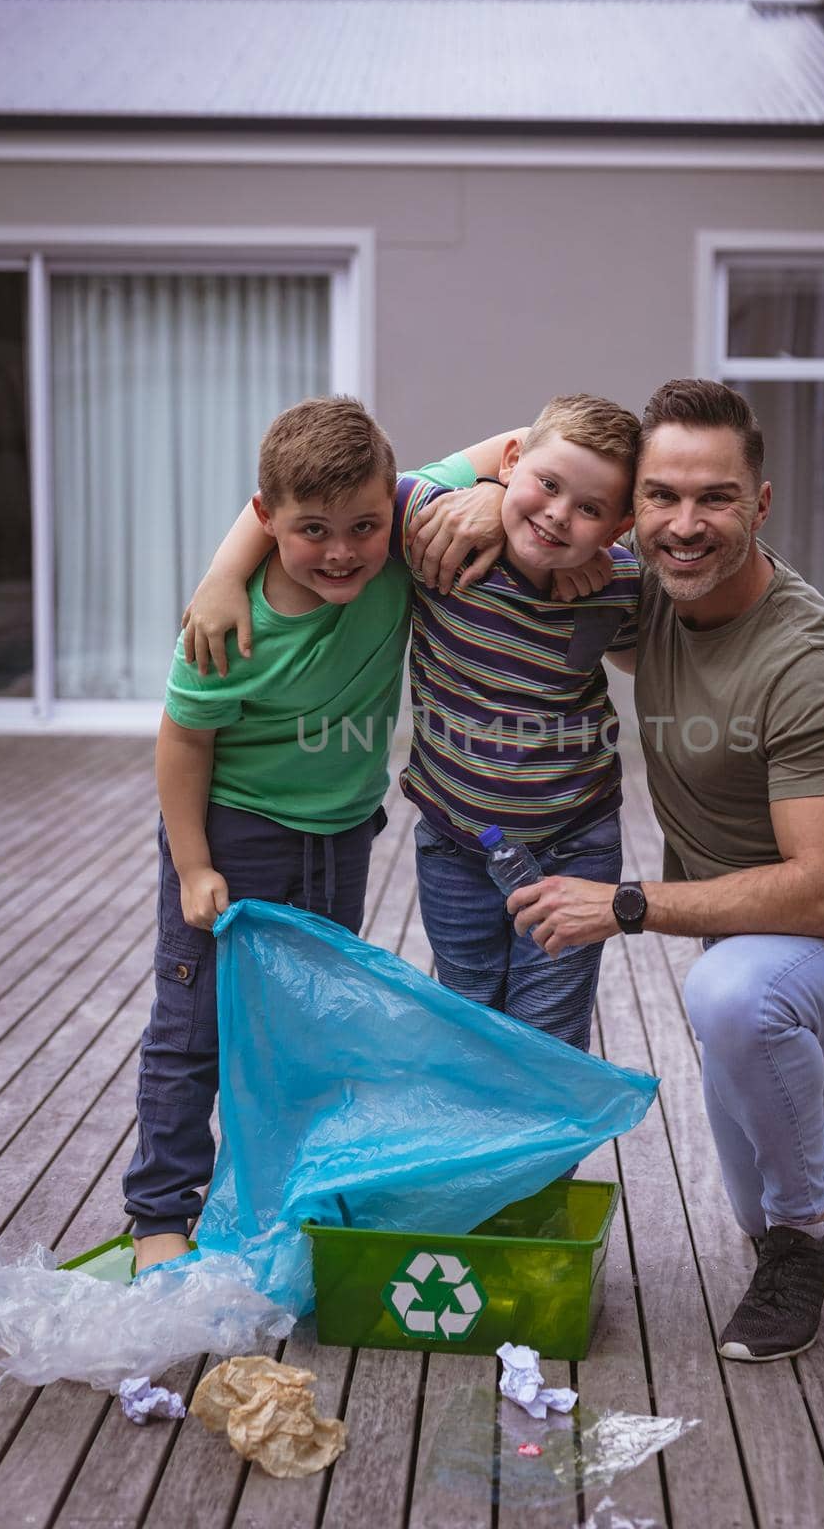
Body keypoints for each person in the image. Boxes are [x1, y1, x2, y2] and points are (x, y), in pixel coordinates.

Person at [421, 378, 824, 1362]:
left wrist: (623, 904)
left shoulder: (804, 659)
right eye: (660, 497)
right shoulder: (650, 588)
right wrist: (479, 495)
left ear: (758, 503)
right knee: (767, 1169)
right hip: (742, 935)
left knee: (731, 997)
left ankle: (800, 1245)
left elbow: (823, 890)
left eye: (713, 497)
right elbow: (543, 483)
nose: (683, 523)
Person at [124, 396, 478, 1270]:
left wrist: (486, 501)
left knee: (315, 1025)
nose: (342, 551)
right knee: (193, 1028)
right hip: (232, 836)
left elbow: (520, 444)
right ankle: (161, 1213)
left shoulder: (394, 539)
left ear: (390, 504)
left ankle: (294, 1196)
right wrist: (194, 863)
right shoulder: (226, 625)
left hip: (341, 836)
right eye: (310, 529)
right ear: (266, 522)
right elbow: (183, 741)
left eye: (363, 525)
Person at [183, 395, 640, 1057]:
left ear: (617, 526)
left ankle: (544, 1167)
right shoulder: (428, 526)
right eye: (546, 486)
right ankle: (480, 1164)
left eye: (590, 510)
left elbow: (640, 649)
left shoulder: (619, 582)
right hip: (458, 843)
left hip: (574, 840)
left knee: (550, 1037)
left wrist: (596, 558)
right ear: (513, 463)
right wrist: (225, 573)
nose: (558, 514)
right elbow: (304, 495)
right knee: (468, 1019)